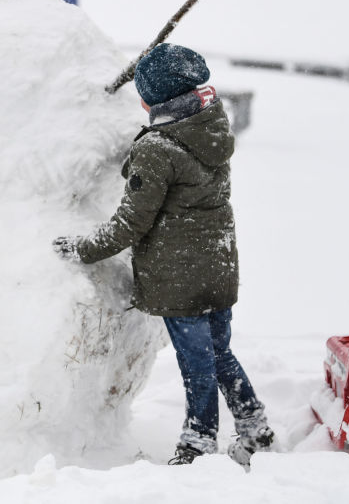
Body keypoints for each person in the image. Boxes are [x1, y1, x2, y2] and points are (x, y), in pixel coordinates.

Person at [52, 43, 272, 467]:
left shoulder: (158, 149)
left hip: (180, 276)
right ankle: (254, 425)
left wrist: (83, 249)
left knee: (197, 363)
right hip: (218, 263)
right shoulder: (209, 128)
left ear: (154, 100)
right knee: (219, 352)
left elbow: (131, 222)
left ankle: (198, 444)